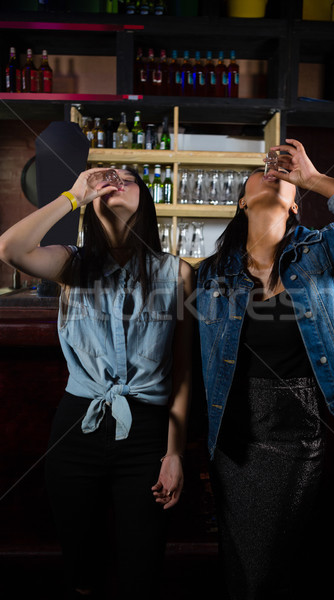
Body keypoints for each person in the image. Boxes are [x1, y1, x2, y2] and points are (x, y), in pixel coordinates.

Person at [196, 139, 334, 599]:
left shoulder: (324, 252)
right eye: (259, 173)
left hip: (298, 429)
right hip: (234, 435)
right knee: (243, 561)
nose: (271, 174)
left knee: (278, 566)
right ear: (242, 201)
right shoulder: (211, 275)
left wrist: (313, 179)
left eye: (288, 181)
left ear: (294, 207)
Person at [0, 166, 193, 600]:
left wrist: (174, 452)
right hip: (76, 429)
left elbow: (182, 371)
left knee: (141, 568)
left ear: (145, 199)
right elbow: (10, 248)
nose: (116, 180)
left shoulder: (176, 273)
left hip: (147, 432)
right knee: (82, 569)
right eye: (108, 176)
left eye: (128, 177)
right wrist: (73, 195)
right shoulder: (72, 264)